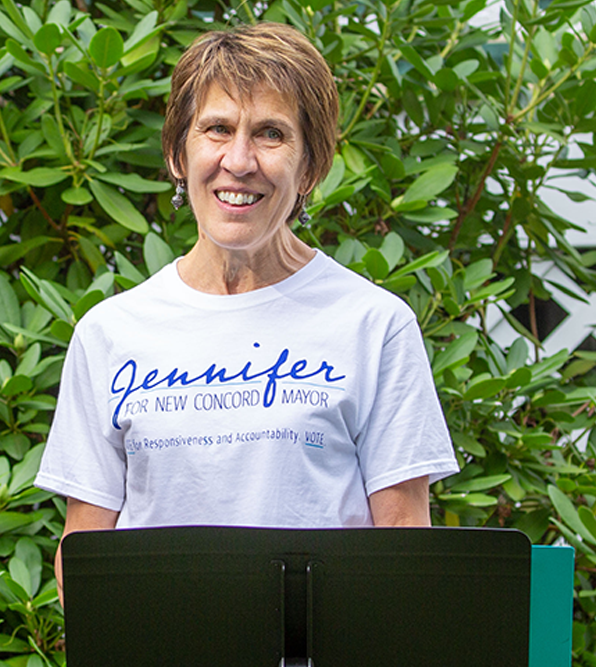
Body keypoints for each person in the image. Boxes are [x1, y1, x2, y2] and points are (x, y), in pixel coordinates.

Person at [35, 22, 459, 604]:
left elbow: (404, 543)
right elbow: (83, 551)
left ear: (310, 167)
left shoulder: (374, 325)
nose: (239, 160)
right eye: (216, 129)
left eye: (270, 134)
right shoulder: (109, 333)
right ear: (177, 154)